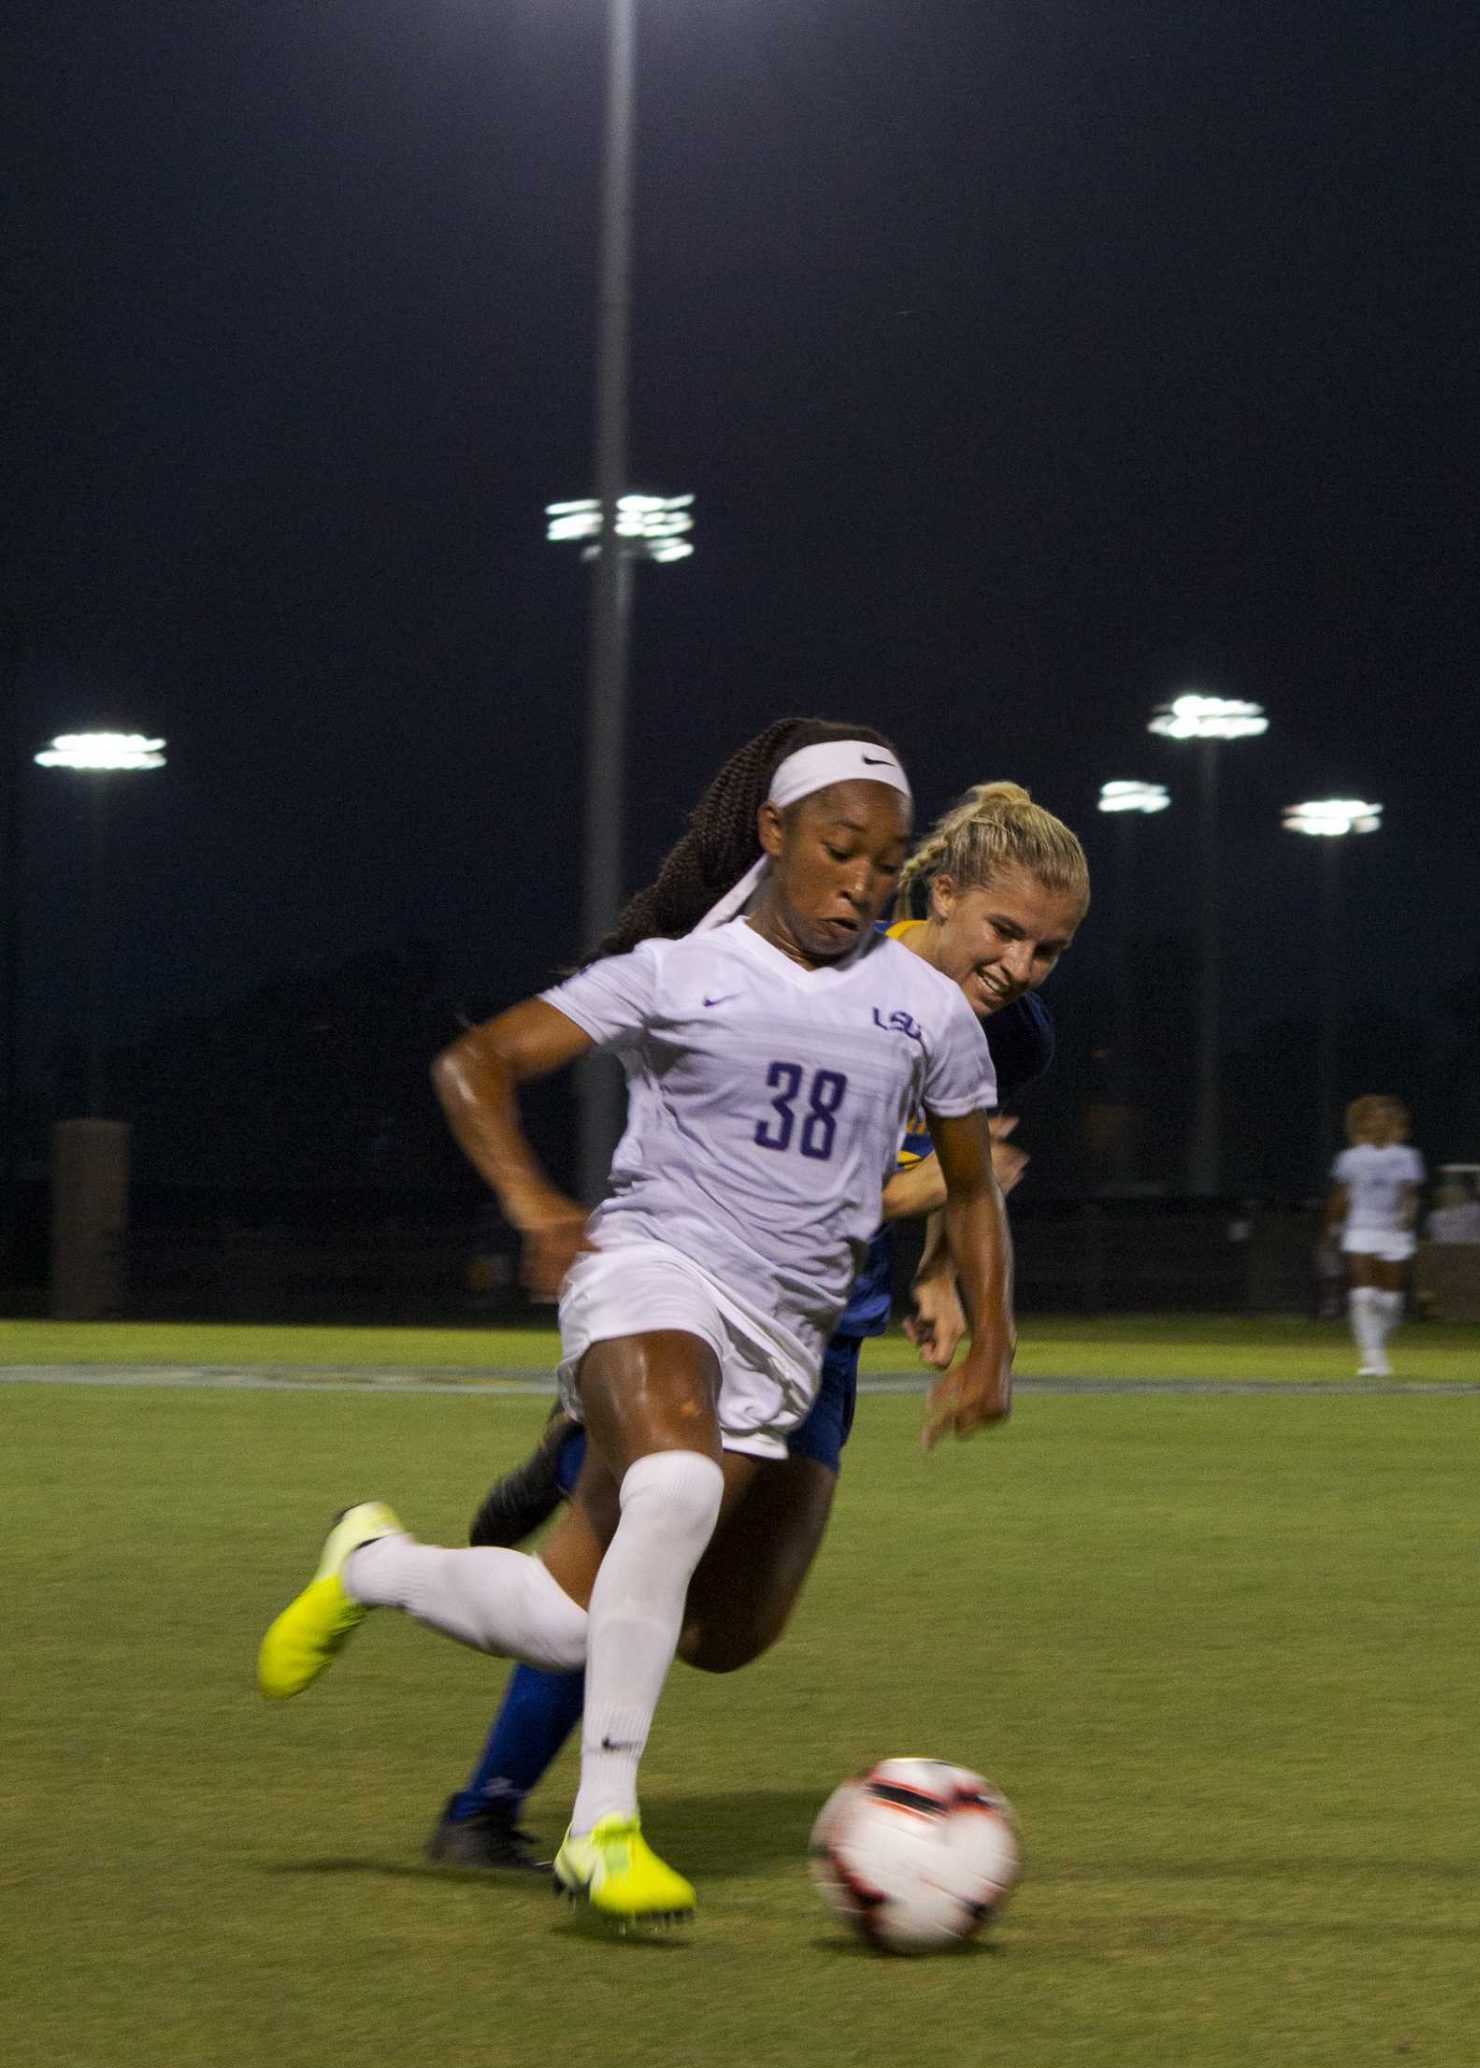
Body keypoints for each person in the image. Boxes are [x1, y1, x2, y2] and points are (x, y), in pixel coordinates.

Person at [257, 719, 1016, 1925]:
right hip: (650, 1274)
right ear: (773, 835)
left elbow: (973, 1189)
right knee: (671, 1487)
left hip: (781, 1342)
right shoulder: (679, 972)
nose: (863, 884)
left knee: (600, 1625)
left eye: (884, 864)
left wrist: (992, 1345)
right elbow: (477, 1064)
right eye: (839, 850)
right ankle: (599, 1829)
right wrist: (538, 1207)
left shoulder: (924, 1013)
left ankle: (372, 1566)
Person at [427, 776, 1090, 1868]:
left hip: (821, 1329)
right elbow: (782, 1176)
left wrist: (938, 1280)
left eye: (1046, 952)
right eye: (1004, 932)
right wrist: (909, 1205)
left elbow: (952, 1174)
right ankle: (486, 1808)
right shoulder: (798, 964)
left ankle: (573, 1469)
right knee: (634, 1561)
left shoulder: (1004, 1034)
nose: (1017, 969)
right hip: (698, 1290)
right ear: (940, 889)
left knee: (730, 1635)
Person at [1322, 1094, 1424, 1378]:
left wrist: (1406, 1217)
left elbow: (1409, 1193)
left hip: (1392, 1232)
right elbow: (1340, 1195)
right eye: (1373, 1116)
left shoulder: (1406, 1156)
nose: (1379, 1120)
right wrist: (1331, 1229)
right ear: (1363, 1122)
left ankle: (1375, 1346)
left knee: (1390, 1303)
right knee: (1364, 1296)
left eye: (1383, 1116)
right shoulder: (1351, 1158)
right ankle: (1373, 1359)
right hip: (1361, 1228)